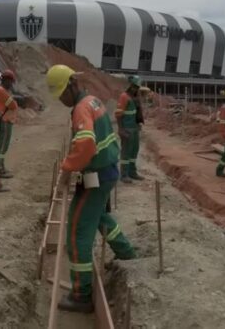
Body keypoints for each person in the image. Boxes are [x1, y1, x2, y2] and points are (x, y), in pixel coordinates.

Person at [46, 64, 136, 313]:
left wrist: (66, 170)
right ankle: (127, 253)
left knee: (76, 233)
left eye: (63, 92)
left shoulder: (81, 108)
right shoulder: (94, 101)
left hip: (96, 174)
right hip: (104, 171)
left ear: (73, 83)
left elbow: (85, 144)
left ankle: (82, 295)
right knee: (98, 218)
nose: (62, 99)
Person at [116, 75, 144, 183]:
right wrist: (121, 129)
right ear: (130, 86)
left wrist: (138, 124)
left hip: (135, 129)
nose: (136, 89)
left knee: (134, 151)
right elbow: (118, 115)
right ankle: (124, 175)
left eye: (137, 87)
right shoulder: (124, 97)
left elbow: (136, 113)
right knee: (126, 152)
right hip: (127, 129)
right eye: (134, 86)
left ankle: (132, 172)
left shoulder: (135, 98)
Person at [0, 69, 18, 179]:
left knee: (4, 145)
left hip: (6, 120)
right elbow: (12, 105)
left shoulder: (0, 90)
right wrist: (13, 100)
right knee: (2, 146)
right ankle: (0, 169)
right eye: (11, 82)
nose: (11, 85)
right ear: (6, 80)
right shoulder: (0, 91)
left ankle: (1, 166)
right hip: (5, 120)